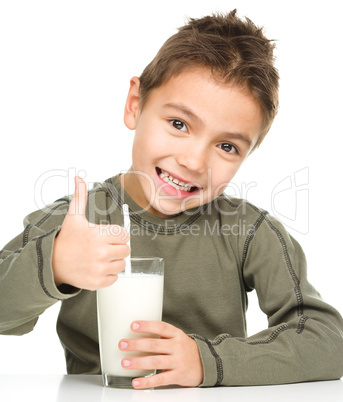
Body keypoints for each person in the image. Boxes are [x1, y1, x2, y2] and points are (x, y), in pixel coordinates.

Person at [0, 9, 342, 389]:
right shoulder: (77, 221)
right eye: (179, 124)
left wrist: (207, 361)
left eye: (226, 146)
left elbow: (328, 341)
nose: (193, 161)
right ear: (135, 104)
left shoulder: (248, 232)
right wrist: (56, 264)